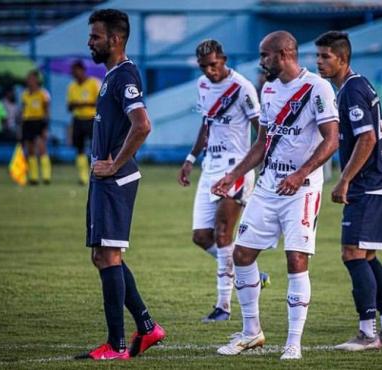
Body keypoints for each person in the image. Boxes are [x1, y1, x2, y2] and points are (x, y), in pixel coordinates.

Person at [212, 30, 339, 360]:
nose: (261, 61)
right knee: (242, 255)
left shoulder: (317, 88)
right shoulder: (267, 89)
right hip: (269, 186)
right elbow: (262, 143)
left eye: (265, 55)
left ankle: (293, 343)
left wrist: (300, 174)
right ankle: (251, 332)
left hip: (303, 189)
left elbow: (331, 140)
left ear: (284, 54)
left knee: (295, 260)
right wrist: (232, 175)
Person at [75, 9, 165, 361]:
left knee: (109, 255)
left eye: (95, 37)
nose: (89, 42)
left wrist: (114, 162)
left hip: (115, 178)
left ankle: (116, 346)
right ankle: (146, 327)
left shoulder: (125, 74)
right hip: (106, 177)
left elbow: (142, 125)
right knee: (102, 255)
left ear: (114, 39)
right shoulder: (112, 75)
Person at [315, 30, 382, 352]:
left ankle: (368, 333)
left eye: (326, 56)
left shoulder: (351, 91)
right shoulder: (360, 84)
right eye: (318, 56)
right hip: (381, 182)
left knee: (352, 254)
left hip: (369, 185)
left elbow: (367, 139)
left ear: (343, 58)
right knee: (366, 255)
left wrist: (344, 180)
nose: (319, 62)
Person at [177, 39, 270, 323]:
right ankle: (250, 272)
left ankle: (223, 307)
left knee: (222, 234)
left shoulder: (242, 88)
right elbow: (206, 124)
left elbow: (261, 131)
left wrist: (261, 166)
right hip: (210, 167)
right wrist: (191, 159)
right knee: (200, 236)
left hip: (236, 167)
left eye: (214, 65)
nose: (209, 71)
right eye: (204, 67)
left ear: (224, 59)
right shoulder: (203, 86)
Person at [67, 59, 101, 185]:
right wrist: (75, 105)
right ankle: (83, 177)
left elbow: (99, 102)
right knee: (79, 148)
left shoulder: (94, 83)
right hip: (78, 120)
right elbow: (69, 107)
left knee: (96, 148)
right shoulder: (72, 86)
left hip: (92, 119)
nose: (74, 73)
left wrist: (81, 103)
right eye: (72, 71)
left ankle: (97, 174)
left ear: (82, 70)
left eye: (75, 70)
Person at [21, 69, 51, 185]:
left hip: (39, 122)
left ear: (36, 80)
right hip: (28, 122)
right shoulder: (24, 94)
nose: (29, 81)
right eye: (28, 79)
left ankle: (46, 176)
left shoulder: (43, 94)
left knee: (42, 147)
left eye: (31, 78)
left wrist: (45, 127)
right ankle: (33, 177)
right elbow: (23, 110)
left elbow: (47, 111)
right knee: (30, 149)